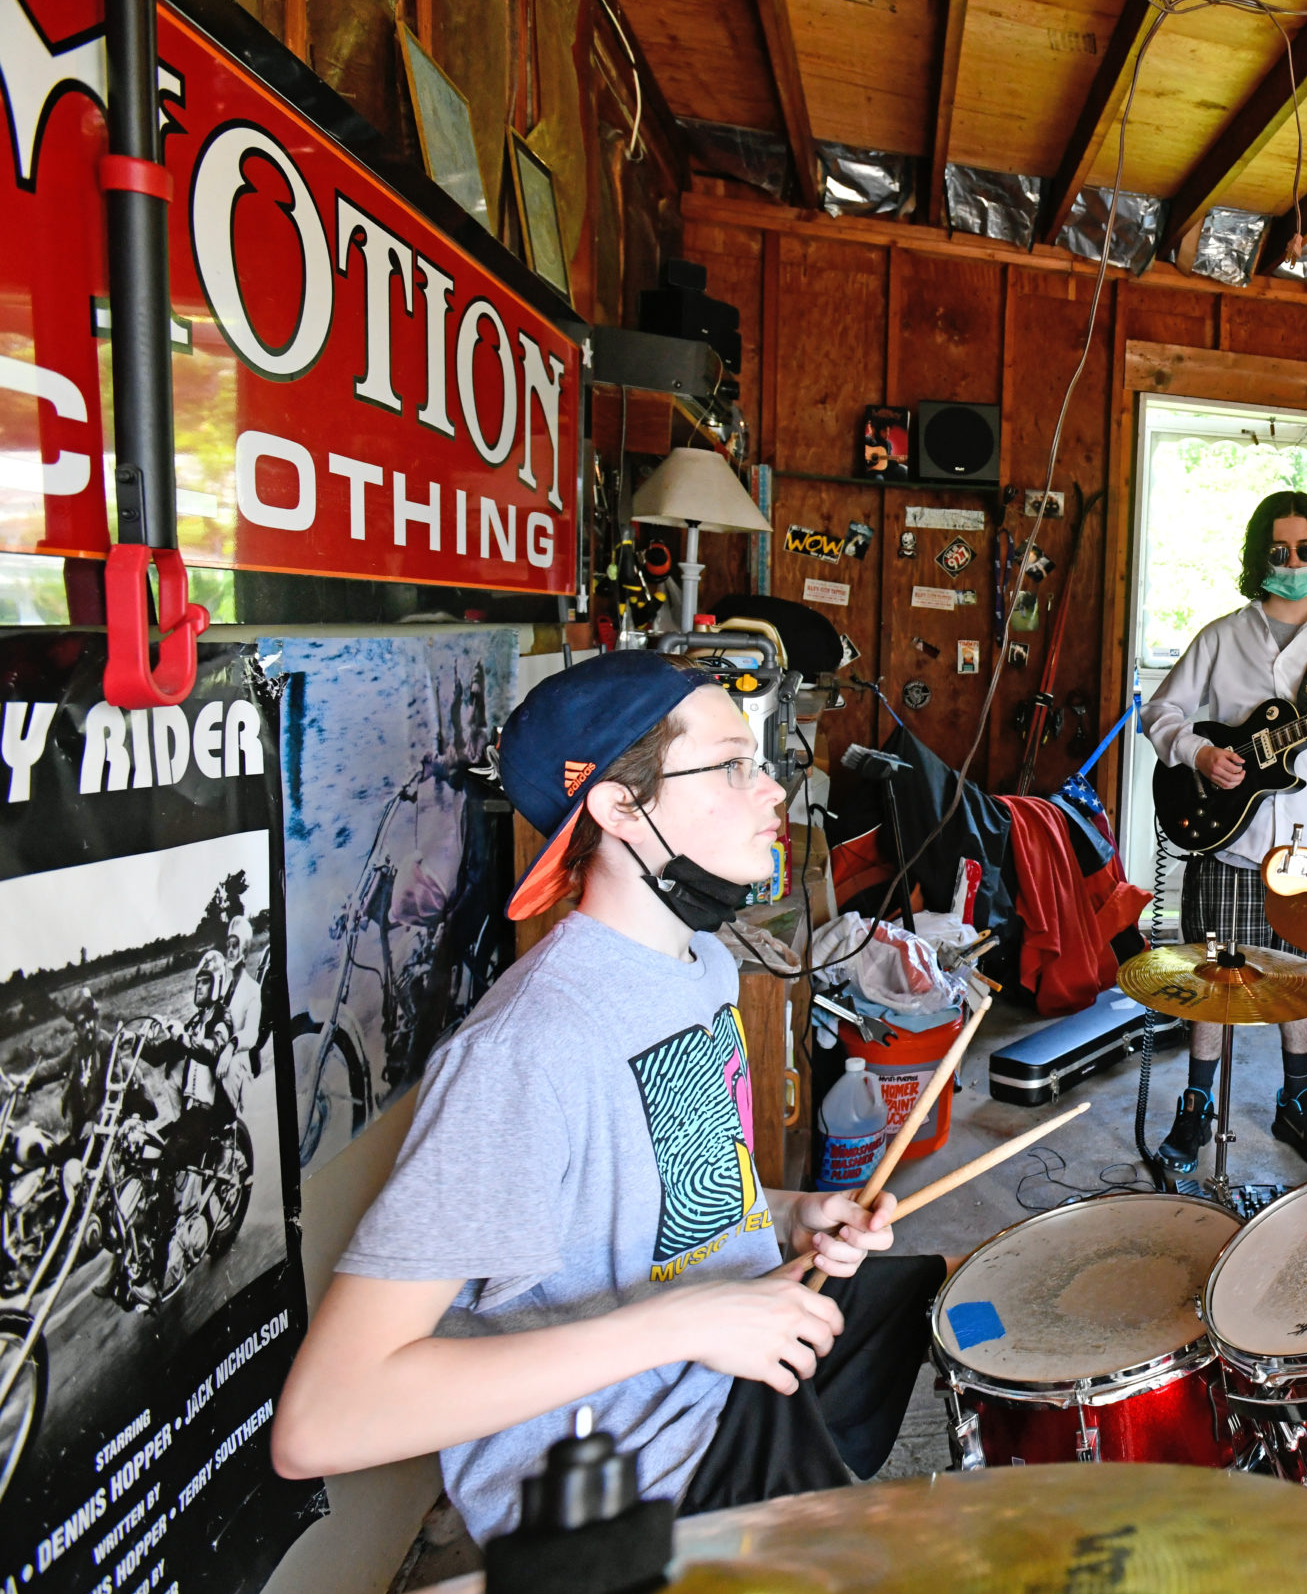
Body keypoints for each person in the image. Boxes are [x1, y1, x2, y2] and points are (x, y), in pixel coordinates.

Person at [272, 652, 943, 1540]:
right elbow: (322, 1420)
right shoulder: (524, 1051)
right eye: (734, 765)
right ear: (620, 807)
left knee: (939, 1312)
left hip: (719, 1387)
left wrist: (787, 1216)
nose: (777, 790)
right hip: (620, 1495)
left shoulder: (699, 962)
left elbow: (658, 1198)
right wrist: (689, 1322)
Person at [1142, 491, 1307, 1175]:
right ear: (1260, 557)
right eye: (1279, 551)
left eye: (1306, 550)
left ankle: (1298, 1100)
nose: (1293, 563)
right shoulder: (1223, 637)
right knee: (1215, 980)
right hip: (1230, 844)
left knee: (1305, 982)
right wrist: (1199, 754)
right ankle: (1196, 1103)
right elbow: (1160, 710)